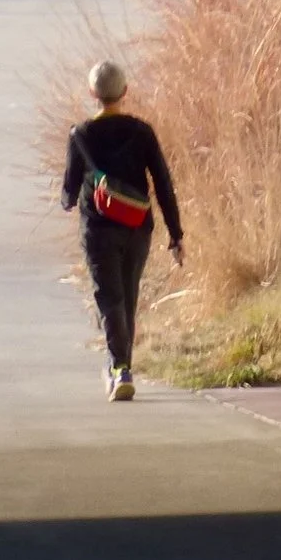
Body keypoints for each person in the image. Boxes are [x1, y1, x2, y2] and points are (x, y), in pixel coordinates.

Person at [61, 59, 183, 401]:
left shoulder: (81, 135)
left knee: (108, 296)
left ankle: (119, 368)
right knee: (127, 296)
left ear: (92, 93)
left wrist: (68, 201)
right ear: (125, 92)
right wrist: (176, 234)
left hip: (99, 229)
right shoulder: (142, 132)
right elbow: (162, 183)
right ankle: (121, 366)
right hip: (137, 228)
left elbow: (69, 190)